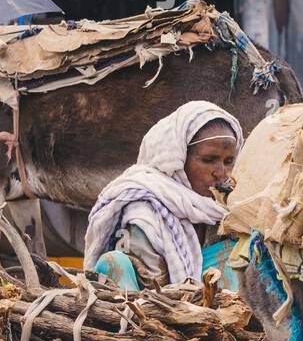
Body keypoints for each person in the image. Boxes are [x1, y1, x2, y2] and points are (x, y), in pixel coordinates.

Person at [83, 100, 243, 289]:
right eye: (209, 160)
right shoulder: (144, 210)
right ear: (178, 160)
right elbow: (150, 285)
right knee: (114, 261)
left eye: (229, 161)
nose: (221, 172)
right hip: (148, 307)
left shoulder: (226, 210)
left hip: (217, 312)